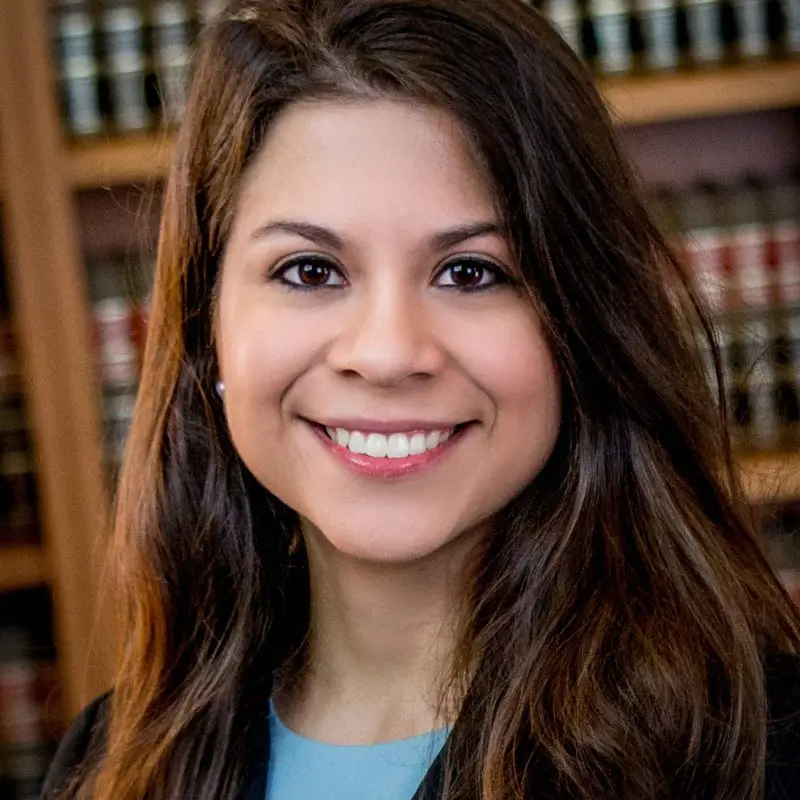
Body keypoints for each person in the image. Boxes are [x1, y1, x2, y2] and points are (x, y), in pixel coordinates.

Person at [42, 0, 800, 798]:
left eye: (470, 272)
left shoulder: (761, 754)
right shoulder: (109, 759)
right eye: (310, 271)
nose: (388, 354)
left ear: (583, 323)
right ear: (207, 328)